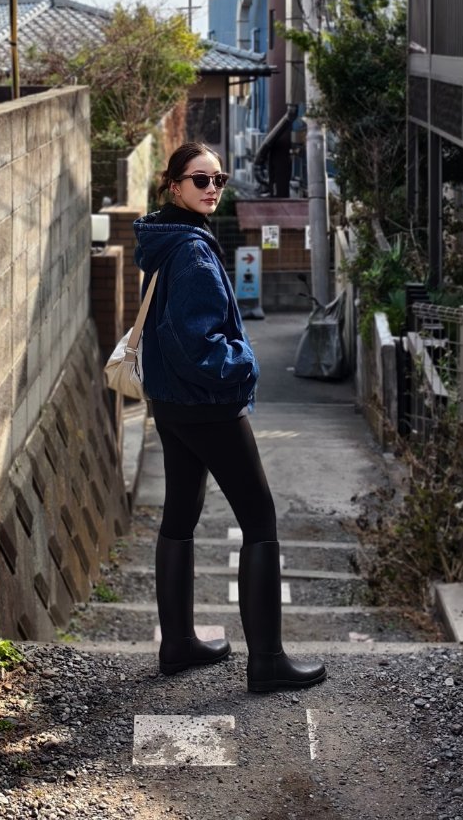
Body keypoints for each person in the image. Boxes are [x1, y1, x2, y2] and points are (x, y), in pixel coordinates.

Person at [133, 142, 326, 694]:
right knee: (260, 521)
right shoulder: (191, 251)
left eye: (219, 178)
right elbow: (195, 342)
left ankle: (178, 644)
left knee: (180, 515)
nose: (212, 188)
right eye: (200, 180)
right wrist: (245, 363)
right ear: (173, 185)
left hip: (171, 404)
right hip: (206, 405)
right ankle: (267, 660)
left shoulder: (165, 238)